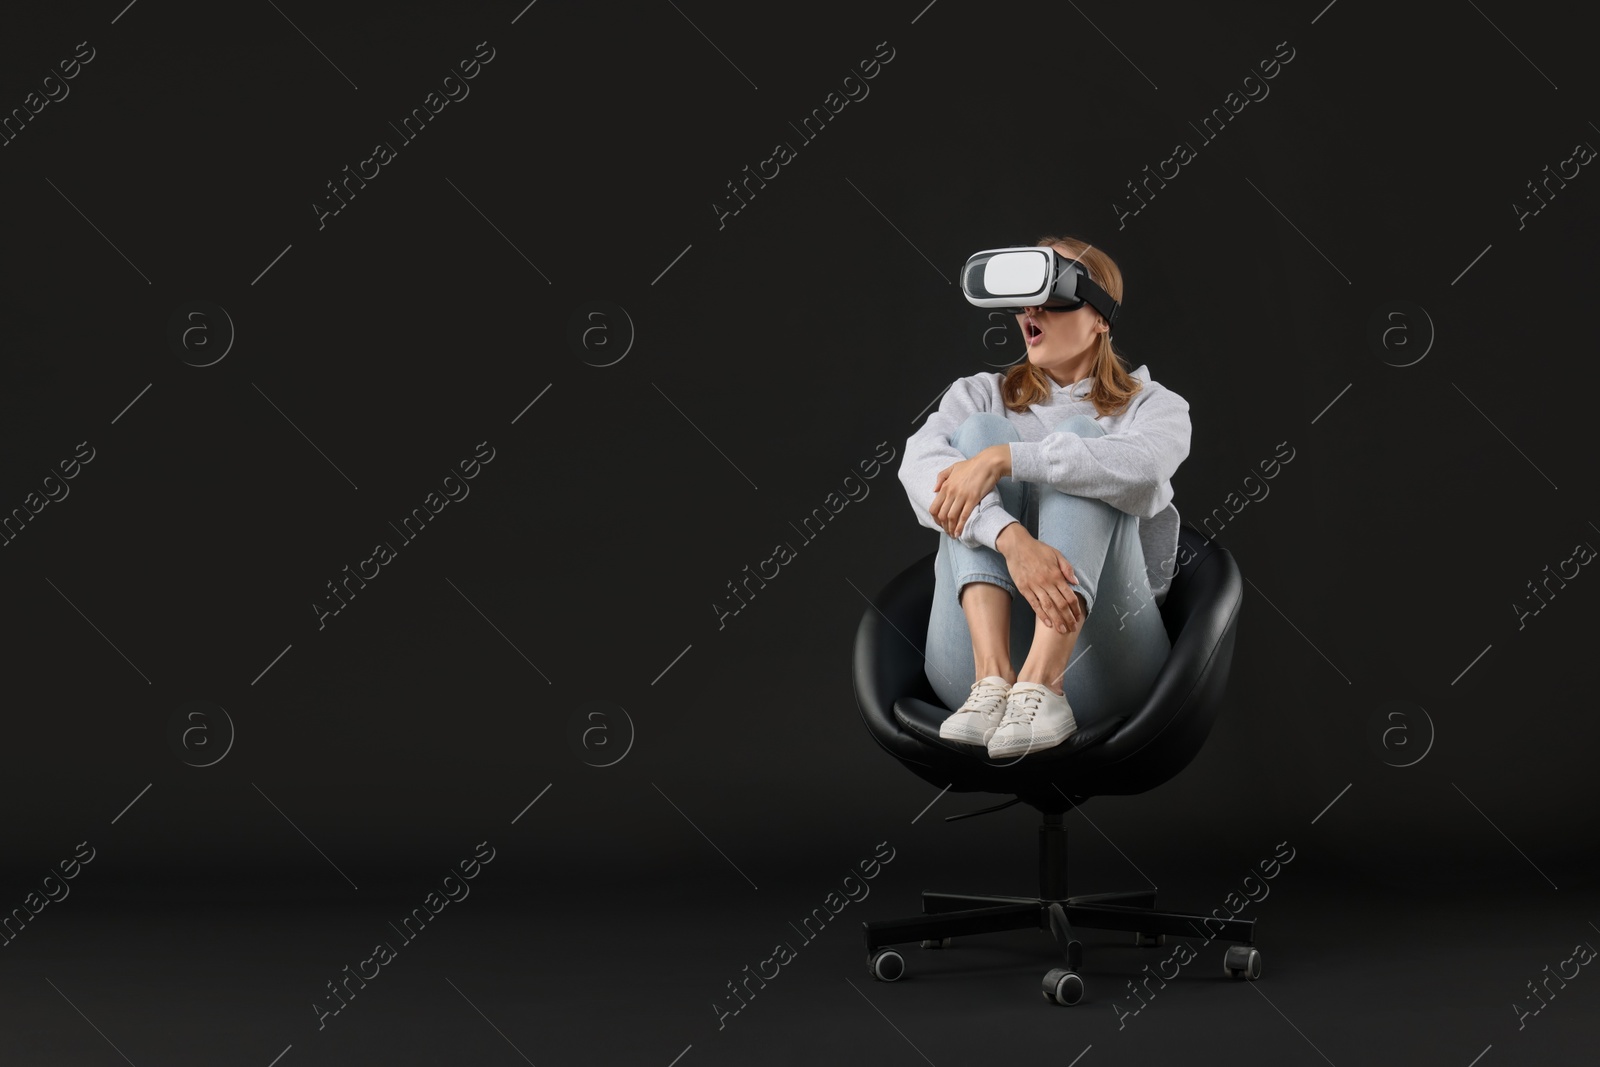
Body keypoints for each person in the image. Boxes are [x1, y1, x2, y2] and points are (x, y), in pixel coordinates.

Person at [896, 235, 1192, 759]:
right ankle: (996, 680)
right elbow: (919, 471)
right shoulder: (980, 393)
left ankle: (1044, 683)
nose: (1031, 310)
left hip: (1104, 663)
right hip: (969, 677)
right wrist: (1011, 540)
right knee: (980, 431)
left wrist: (1006, 460)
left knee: (1087, 440)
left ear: (1101, 317)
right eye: (1025, 298)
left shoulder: (1154, 405)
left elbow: (1145, 474)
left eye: (1054, 294)